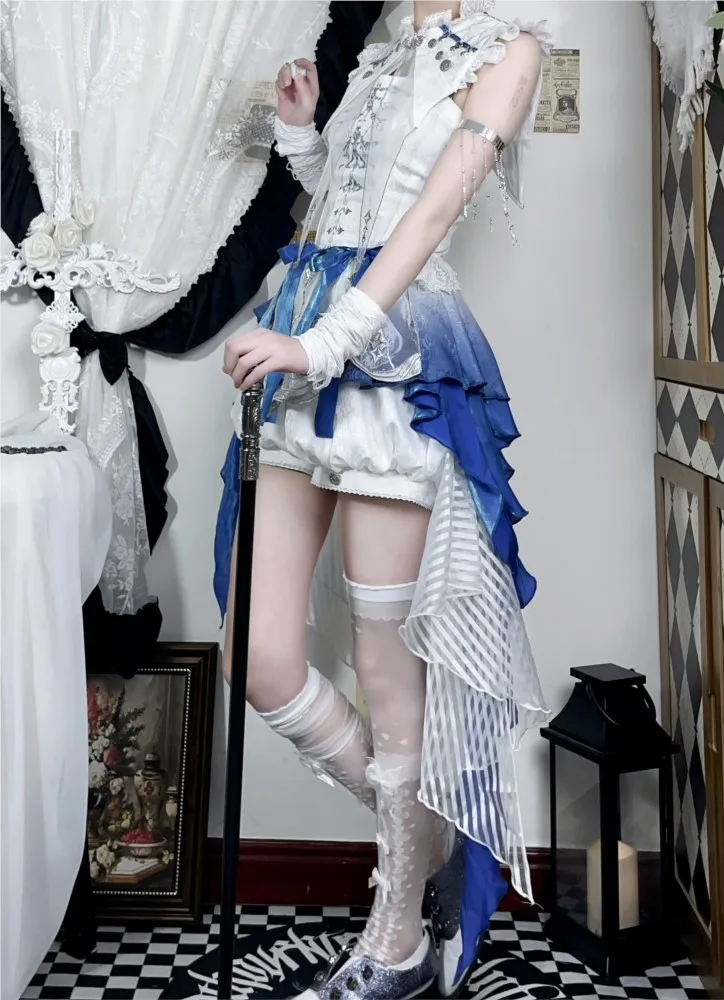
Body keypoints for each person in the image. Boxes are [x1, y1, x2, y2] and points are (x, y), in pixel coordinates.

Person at [217, 2, 550, 997]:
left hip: (392, 358)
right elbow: (351, 198)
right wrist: (303, 137)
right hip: (302, 329)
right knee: (257, 658)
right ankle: (428, 834)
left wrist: (325, 343)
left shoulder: (511, 49)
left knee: (383, 672)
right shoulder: (380, 47)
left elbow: (432, 212)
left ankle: (397, 938)